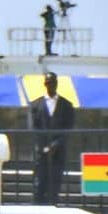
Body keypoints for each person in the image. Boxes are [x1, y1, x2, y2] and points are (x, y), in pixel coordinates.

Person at [27, 72, 77, 204]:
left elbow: (68, 128)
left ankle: (52, 210)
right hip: (40, 153)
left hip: (58, 152)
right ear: (45, 84)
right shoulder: (35, 105)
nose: (51, 85)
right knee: (39, 184)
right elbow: (33, 128)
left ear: (57, 83)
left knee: (54, 184)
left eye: (53, 82)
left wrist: (55, 145)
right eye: (48, 82)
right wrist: (42, 147)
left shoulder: (66, 105)